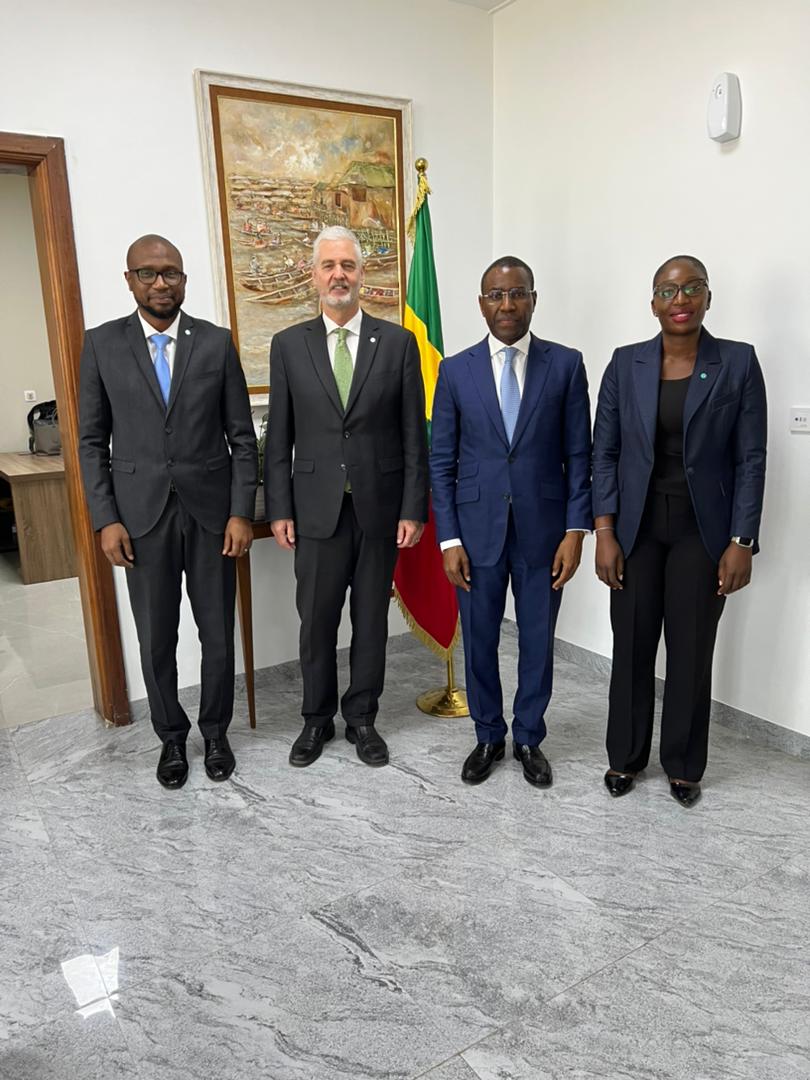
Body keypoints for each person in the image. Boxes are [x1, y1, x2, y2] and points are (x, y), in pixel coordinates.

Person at [79, 235, 257, 789]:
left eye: (171, 273)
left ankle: (217, 732)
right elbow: (90, 441)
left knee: (216, 635)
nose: (161, 284)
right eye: (148, 274)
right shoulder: (102, 344)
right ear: (129, 280)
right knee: (156, 637)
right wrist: (106, 518)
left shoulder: (216, 343)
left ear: (184, 279)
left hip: (211, 517)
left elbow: (242, 439)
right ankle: (173, 739)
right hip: (139, 520)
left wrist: (239, 512)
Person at [592, 255, 767, 807]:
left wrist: (741, 541)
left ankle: (684, 765)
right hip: (637, 528)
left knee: (691, 650)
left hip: (702, 531)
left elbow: (751, 457)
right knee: (633, 644)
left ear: (708, 298)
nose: (681, 299)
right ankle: (625, 757)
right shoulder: (626, 364)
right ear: (653, 303)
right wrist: (604, 531)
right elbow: (606, 452)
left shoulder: (736, 362)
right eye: (669, 290)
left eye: (692, 288)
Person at [264, 225, 428, 768]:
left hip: (379, 509)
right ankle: (316, 720)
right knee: (316, 622)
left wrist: (413, 508)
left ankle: (361, 718)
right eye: (329, 265)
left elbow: (412, 435)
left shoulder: (398, 343)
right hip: (313, 511)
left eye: (348, 266)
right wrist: (279, 508)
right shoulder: (289, 345)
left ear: (363, 274)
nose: (339, 275)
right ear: (313, 275)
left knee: (371, 622)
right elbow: (279, 436)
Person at [430, 256, 592, 787]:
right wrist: (448, 536)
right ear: (481, 304)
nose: (507, 304)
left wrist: (576, 530)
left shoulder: (565, 365)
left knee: (538, 638)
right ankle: (488, 735)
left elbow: (580, 455)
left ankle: (528, 737)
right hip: (474, 535)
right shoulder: (455, 370)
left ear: (532, 300)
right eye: (496, 296)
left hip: (545, 533)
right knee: (478, 638)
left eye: (517, 293)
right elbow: (442, 461)